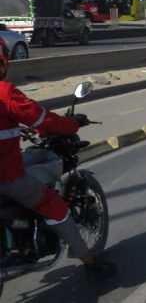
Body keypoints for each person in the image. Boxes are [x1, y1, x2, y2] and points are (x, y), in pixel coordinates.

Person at [0, 40, 117, 282]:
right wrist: (72, 124)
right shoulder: (5, 92)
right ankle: (90, 261)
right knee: (54, 205)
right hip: (6, 177)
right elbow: (44, 120)